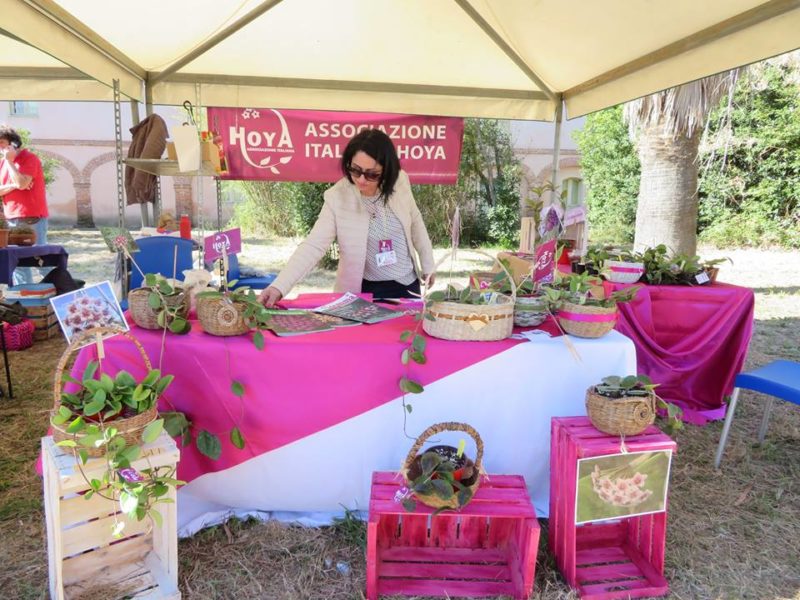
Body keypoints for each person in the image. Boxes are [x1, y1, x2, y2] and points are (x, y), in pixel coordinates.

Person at [260, 129, 435, 306]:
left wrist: (428, 265)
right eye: (355, 170)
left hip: (406, 285)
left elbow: (416, 223)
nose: (361, 180)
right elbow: (313, 245)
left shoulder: (400, 181)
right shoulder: (337, 197)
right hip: (362, 291)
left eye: (372, 174)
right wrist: (278, 287)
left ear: (387, 171)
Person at [0, 125, 50, 284]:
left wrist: (9, 162)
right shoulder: (2, 164)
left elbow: (22, 183)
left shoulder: (30, 159)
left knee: (40, 261)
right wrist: (14, 185)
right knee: (18, 264)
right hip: (11, 220)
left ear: (13, 143)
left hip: (31, 219)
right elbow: (16, 185)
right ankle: (25, 300)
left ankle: (64, 291)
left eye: (1, 142)